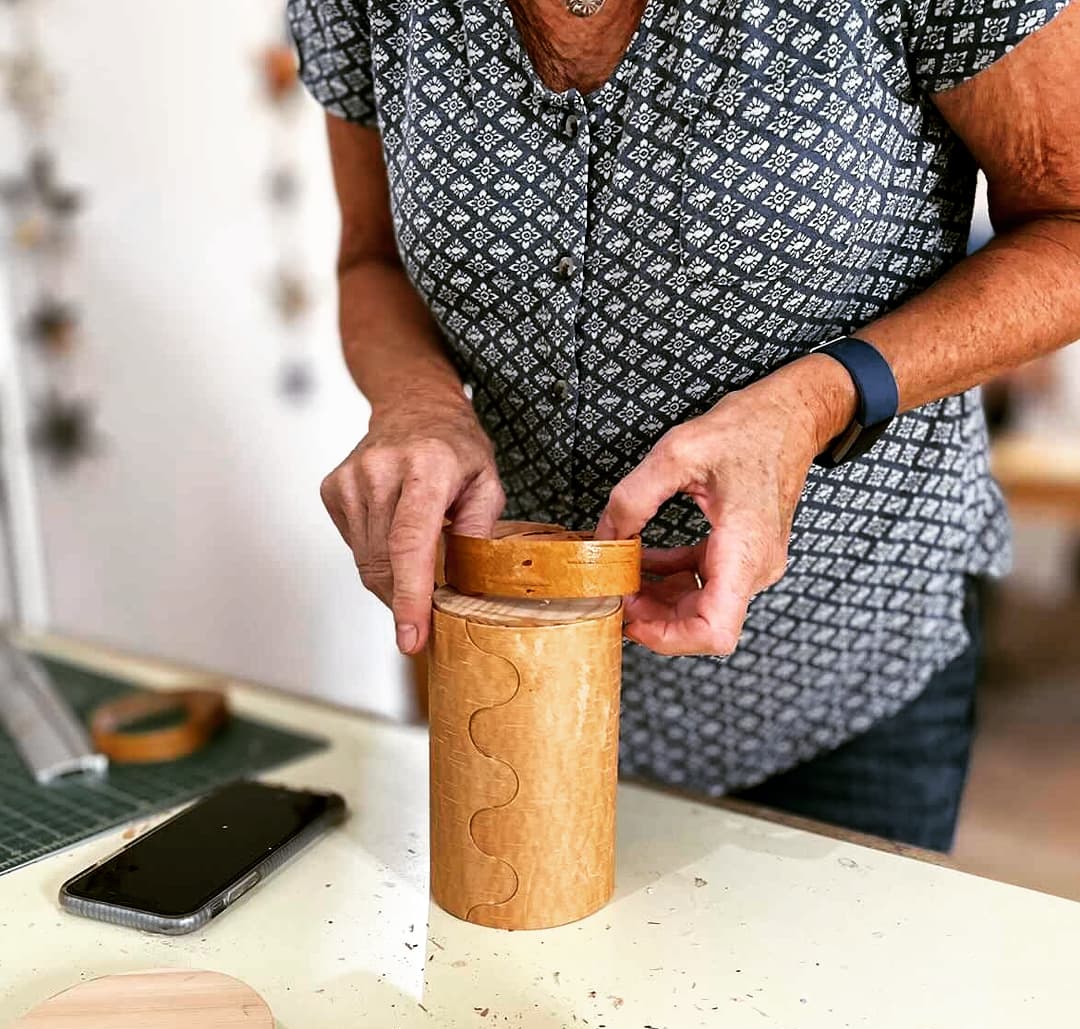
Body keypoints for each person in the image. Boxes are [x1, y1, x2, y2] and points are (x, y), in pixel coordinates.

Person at [288, 0, 1080, 850]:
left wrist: (816, 400)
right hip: (515, 668)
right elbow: (370, 254)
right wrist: (419, 403)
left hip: (844, 664)